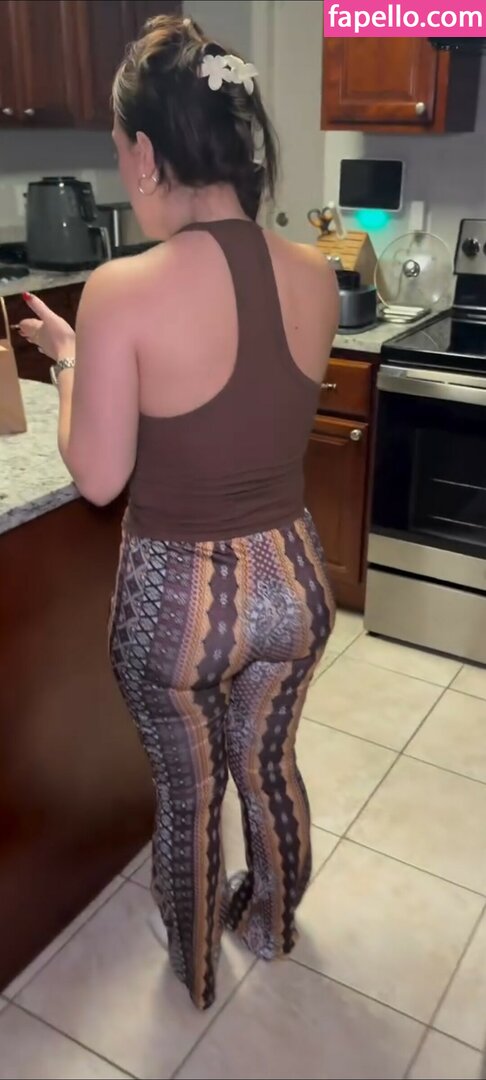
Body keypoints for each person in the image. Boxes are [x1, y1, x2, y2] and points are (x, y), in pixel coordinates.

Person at [18, 14, 339, 1010]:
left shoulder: (122, 289)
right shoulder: (317, 273)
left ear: (150, 153)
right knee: (269, 764)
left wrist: (72, 363)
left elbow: (99, 473)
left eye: (122, 151)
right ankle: (272, 924)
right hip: (296, 584)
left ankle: (195, 969)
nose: (125, 172)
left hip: (181, 605)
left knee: (191, 791)